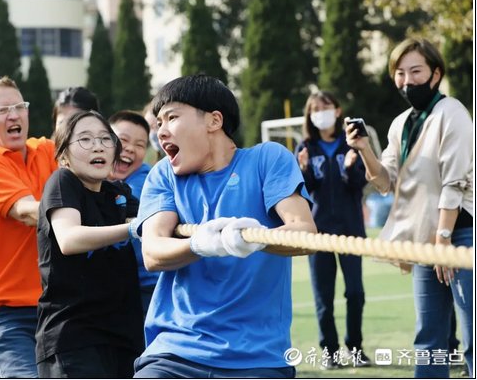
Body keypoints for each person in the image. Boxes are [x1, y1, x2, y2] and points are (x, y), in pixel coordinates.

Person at [133, 75, 317, 378]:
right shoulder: (164, 175)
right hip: (174, 353)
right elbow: (153, 252)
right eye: (159, 122)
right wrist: (201, 244)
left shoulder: (267, 159)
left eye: (171, 118)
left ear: (214, 120)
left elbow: (304, 232)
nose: (160, 131)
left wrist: (256, 240)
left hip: (257, 358)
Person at [345, 37, 473, 378]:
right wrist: (362, 148)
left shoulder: (453, 113)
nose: (406, 80)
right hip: (426, 240)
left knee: (473, 338)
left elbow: (455, 182)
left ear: (435, 74)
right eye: (399, 73)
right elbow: (385, 181)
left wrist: (443, 242)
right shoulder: (401, 122)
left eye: (415, 71)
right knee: (428, 339)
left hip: (461, 235)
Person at [36, 110, 144, 378]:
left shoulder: (117, 193)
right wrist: (131, 229)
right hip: (73, 337)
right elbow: (69, 238)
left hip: (123, 336)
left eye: (105, 139)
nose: (98, 145)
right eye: (85, 139)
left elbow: (155, 218)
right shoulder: (62, 182)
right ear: (63, 156)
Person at [0, 76, 57, 378]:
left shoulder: (45, 150)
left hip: (54, 304)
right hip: (3, 310)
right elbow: (28, 213)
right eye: (3, 110)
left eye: (19, 107)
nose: (14, 115)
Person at [295, 91, 370, 369]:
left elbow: (359, 184)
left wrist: (350, 168)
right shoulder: (305, 147)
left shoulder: (351, 143)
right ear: (309, 115)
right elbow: (304, 191)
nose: (321, 112)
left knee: (356, 293)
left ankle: (356, 347)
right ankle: (330, 352)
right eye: (315, 108)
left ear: (338, 111)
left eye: (325, 106)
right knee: (323, 298)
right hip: (319, 232)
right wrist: (303, 170)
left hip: (351, 230)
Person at [109, 109, 158, 319]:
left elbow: (122, 204)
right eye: (123, 140)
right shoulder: (92, 176)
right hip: (114, 286)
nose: (129, 149)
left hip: (147, 286)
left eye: (139, 145)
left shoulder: (144, 179)